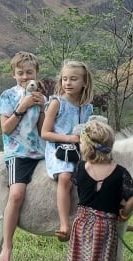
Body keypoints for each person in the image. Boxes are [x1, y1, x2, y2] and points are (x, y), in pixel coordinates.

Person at [67, 119, 133, 261]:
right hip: (106, 225)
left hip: (82, 223)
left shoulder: (81, 168)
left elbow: (77, 187)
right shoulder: (120, 172)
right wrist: (124, 212)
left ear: (87, 147)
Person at [0, 51, 47, 261]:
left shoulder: (43, 97)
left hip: (41, 152)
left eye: (29, 72)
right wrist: (21, 108)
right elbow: (6, 129)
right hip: (18, 153)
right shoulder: (7, 96)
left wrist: (43, 108)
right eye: (20, 73)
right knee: (16, 194)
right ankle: (7, 245)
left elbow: (44, 130)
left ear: (36, 73)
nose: (25, 77)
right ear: (13, 74)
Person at [42, 60, 95, 241]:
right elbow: (45, 133)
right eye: (65, 79)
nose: (68, 83)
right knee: (65, 177)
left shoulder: (87, 107)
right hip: (58, 148)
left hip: (80, 149)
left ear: (84, 82)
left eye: (73, 79)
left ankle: (105, 216)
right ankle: (64, 223)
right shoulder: (57, 103)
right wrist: (69, 138)